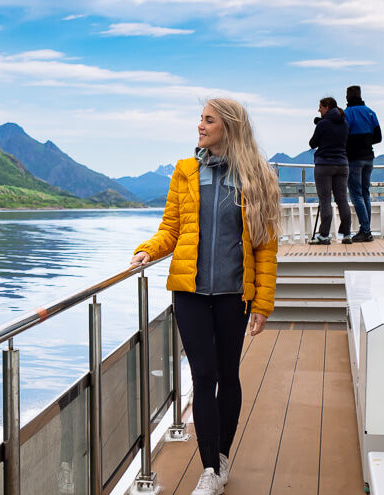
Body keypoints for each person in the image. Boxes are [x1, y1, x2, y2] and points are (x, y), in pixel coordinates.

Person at [130, 98, 280, 495]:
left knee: (228, 376)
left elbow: (265, 247)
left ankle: (223, 456)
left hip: (234, 295)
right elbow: (171, 229)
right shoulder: (185, 172)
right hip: (190, 295)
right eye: (200, 119)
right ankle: (210, 469)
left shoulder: (257, 178)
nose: (199, 126)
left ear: (228, 128)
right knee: (203, 376)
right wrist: (148, 249)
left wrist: (262, 303)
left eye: (208, 120)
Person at [309, 97, 353, 244]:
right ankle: (347, 235)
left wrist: (319, 127)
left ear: (327, 107)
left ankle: (324, 235)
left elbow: (312, 143)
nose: (318, 110)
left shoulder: (323, 124)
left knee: (325, 200)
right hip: (342, 164)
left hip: (324, 165)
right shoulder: (345, 123)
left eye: (320, 107)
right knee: (342, 199)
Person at [345, 86, 382, 242]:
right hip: (369, 157)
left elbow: (343, 136)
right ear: (360, 95)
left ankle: (366, 230)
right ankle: (366, 229)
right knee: (365, 193)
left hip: (354, 159)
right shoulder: (370, 112)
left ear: (347, 97)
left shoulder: (347, 114)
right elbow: (378, 137)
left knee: (356, 195)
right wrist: (366, 142)